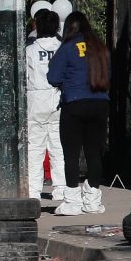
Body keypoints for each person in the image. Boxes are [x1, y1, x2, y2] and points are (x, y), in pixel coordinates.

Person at [47, 12, 110, 216]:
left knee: (71, 154)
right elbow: (110, 75)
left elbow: (53, 77)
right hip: (100, 103)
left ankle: (72, 201)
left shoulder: (66, 48)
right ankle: (92, 200)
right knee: (94, 153)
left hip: (74, 104)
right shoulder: (101, 49)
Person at [25, 9, 64, 200]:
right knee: (58, 147)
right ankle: (61, 189)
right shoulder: (63, 48)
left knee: (35, 149)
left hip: (35, 100)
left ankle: (33, 191)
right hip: (58, 98)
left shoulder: (30, 50)